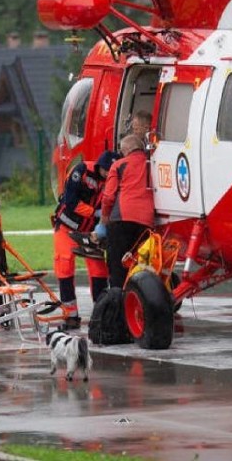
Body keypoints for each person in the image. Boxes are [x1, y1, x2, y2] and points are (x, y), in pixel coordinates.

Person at [53, 150, 120, 329]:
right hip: (67, 228)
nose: (108, 174)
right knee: (64, 266)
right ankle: (71, 316)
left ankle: (101, 313)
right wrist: (94, 213)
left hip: (92, 232)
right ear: (101, 167)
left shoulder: (114, 180)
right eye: (107, 171)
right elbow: (70, 201)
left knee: (99, 270)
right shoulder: (81, 170)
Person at [100, 134, 155, 290]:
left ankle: (118, 303)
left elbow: (109, 196)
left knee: (117, 266)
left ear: (127, 149)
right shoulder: (152, 163)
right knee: (141, 264)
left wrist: (104, 217)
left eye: (122, 150)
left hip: (122, 219)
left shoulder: (119, 165)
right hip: (146, 221)